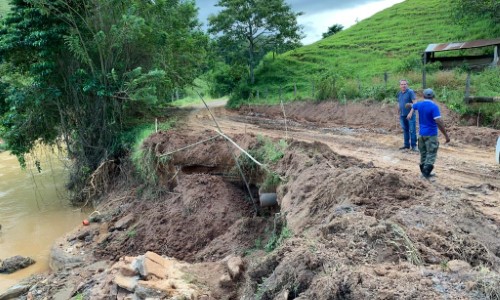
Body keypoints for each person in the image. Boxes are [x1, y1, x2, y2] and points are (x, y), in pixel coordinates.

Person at [405, 88, 450, 178]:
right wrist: (446, 136)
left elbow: (410, 105)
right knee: (431, 154)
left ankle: (424, 173)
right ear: (433, 96)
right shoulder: (434, 107)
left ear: (423, 96)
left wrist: (409, 106)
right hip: (431, 134)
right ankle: (425, 175)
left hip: (421, 134)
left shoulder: (420, 104)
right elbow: (438, 121)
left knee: (424, 154)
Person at [397, 79, 417, 151]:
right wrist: (398, 111)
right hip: (402, 115)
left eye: (405, 84)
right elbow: (399, 103)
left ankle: (414, 146)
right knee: (405, 130)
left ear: (407, 85)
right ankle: (406, 145)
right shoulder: (399, 93)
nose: (403, 86)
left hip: (410, 115)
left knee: (412, 130)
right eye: (402, 84)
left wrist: (411, 113)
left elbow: (415, 103)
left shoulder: (410, 92)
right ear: (400, 86)